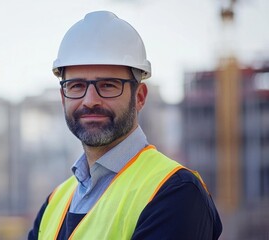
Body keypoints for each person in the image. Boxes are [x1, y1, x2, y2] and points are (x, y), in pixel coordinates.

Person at [28, 10, 222, 240]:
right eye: (77, 86)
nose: (90, 100)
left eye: (109, 85)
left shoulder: (175, 192)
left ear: (139, 96)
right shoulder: (54, 203)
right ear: (63, 97)